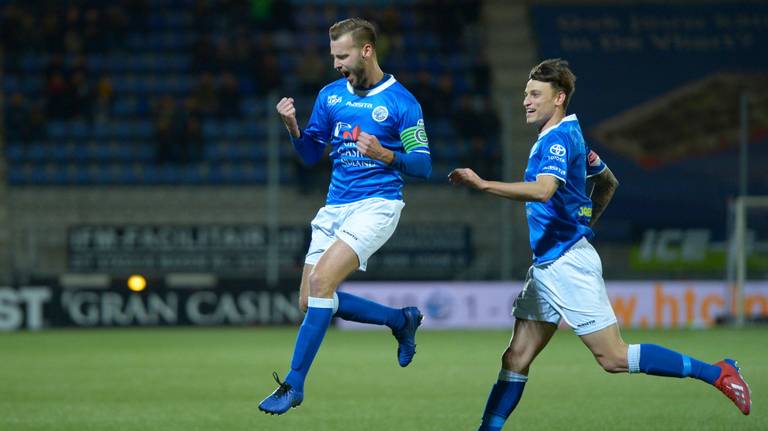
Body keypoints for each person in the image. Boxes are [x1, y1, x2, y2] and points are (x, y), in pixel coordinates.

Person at [448, 58, 751, 431]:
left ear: (559, 97)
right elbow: (608, 182)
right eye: (526, 93)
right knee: (516, 357)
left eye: (535, 94)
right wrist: (583, 222)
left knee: (613, 357)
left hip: (567, 265)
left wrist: (484, 185)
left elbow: (544, 191)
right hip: (547, 265)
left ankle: (717, 372)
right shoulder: (569, 135)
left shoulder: (558, 140)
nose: (526, 101)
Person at [258, 18, 432, 415]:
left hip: (377, 205)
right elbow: (308, 157)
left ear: (366, 51)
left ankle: (293, 385)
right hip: (335, 205)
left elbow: (423, 165)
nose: (336, 63)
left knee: (321, 282)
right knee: (309, 300)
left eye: (343, 55)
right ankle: (399, 320)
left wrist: (386, 155)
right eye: (333, 55)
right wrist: (292, 128)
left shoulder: (401, 102)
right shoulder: (330, 96)